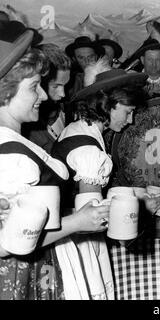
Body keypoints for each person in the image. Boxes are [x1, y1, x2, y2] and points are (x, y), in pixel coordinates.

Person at [0, 20, 109, 300]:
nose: (44, 95)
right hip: (27, 277)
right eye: (34, 86)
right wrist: (77, 222)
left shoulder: (16, 144)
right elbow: (8, 242)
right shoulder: (11, 154)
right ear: (6, 91)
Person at [51, 60, 158, 299]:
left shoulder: (79, 128)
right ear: (108, 104)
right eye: (127, 112)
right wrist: (140, 210)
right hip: (77, 241)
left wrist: (134, 193)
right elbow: (93, 215)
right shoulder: (90, 153)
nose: (130, 120)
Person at [23, 44, 71, 153]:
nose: (63, 94)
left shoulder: (62, 109)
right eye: (55, 86)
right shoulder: (28, 130)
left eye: (65, 85)